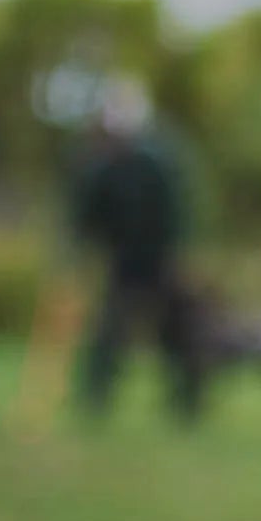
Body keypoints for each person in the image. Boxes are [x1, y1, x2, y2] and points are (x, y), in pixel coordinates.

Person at [63, 76, 203, 419]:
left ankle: (185, 403)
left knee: (175, 335)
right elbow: (87, 214)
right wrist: (76, 248)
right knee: (109, 333)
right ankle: (95, 400)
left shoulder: (159, 162)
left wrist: (181, 254)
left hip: (160, 259)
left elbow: (178, 212)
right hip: (121, 262)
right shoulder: (100, 167)